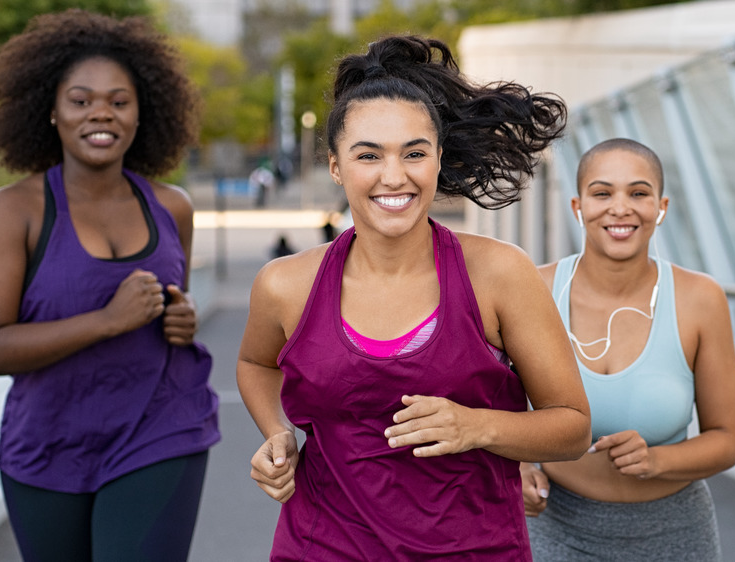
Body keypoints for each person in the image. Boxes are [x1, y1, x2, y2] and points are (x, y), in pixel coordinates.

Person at [236, 35, 591, 561]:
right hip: (322, 546)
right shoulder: (285, 284)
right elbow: (255, 362)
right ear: (336, 166)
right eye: (368, 155)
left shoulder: (498, 273)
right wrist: (276, 432)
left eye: (414, 153)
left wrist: (477, 425)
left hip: (474, 550)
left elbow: (572, 427)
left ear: (438, 159)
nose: (393, 176)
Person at [0, 10, 219, 561]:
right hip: (49, 443)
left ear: (140, 113)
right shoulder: (14, 211)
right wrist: (107, 321)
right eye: (80, 100)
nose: (101, 113)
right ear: (50, 111)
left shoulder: (172, 207)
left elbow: (172, 303)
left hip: (160, 429)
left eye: (119, 101)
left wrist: (181, 318)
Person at [522, 138, 735, 561]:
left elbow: (728, 440)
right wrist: (520, 468)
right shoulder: (535, 289)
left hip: (676, 534)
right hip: (557, 530)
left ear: (660, 207)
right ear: (578, 206)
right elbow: (496, 409)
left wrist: (655, 461)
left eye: (638, 193)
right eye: (602, 193)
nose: (620, 208)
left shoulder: (700, 299)